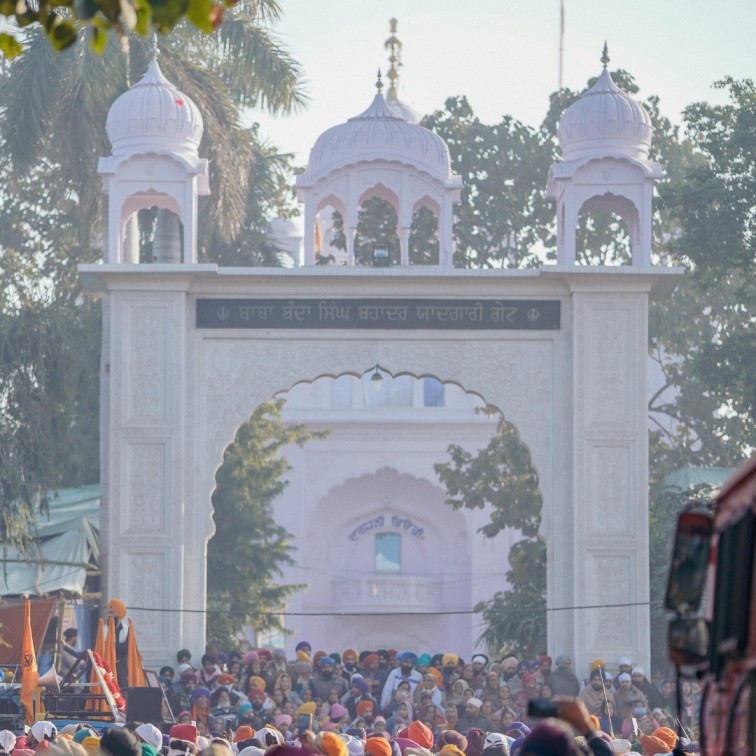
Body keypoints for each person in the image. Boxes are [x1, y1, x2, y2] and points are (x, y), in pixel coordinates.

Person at [107, 597, 129, 689]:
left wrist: (112, 646)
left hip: (121, 667)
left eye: (112, 613)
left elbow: (127, 648)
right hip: (106, 665)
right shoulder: (103, 629)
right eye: (109, 612)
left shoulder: (127, 629)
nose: (109, 616)